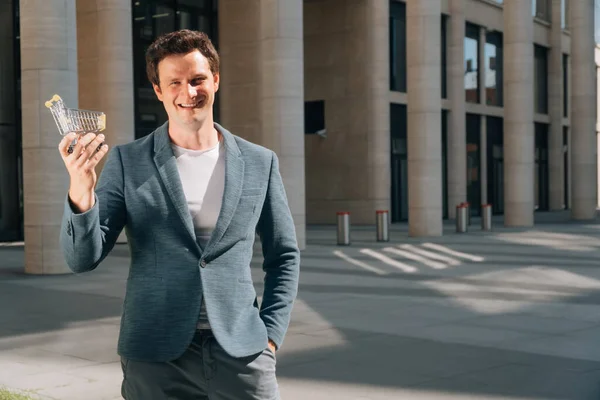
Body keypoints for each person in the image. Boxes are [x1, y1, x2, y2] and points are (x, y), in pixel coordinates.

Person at [58, 29, 300, 400]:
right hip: (155, 357)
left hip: (243, 353)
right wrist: (81, 188)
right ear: (158, 90)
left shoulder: (259, 162)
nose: (189, 93)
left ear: (215, 80)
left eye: (198, 79)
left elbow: (283, 256)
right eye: (175, 82)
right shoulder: (128, 161)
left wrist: (271, 336)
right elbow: (81, 258)